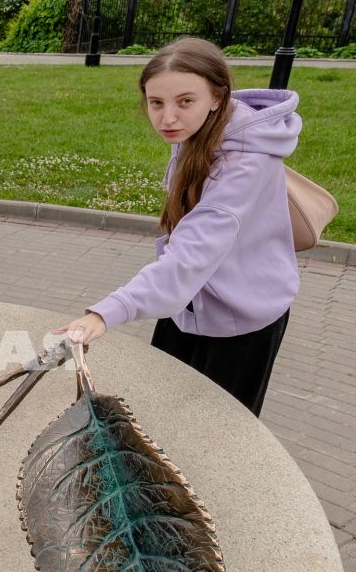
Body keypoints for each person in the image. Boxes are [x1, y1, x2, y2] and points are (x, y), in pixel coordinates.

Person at [54, 37, 300, 417]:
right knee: (159, 413)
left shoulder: (244, 165)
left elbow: (191, 253)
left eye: (185, 101)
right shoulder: (199, 131)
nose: (168, 118)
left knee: (216, 433)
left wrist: (106, 313)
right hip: (189, 301)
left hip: (241, 319)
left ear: (217, 97)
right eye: (156, 103)